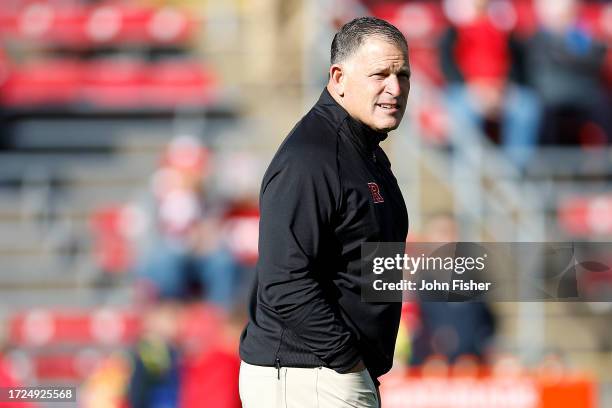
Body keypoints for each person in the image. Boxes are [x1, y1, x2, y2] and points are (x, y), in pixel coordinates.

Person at [239, 17, 410, 408]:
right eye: (380, 74)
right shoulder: (312, 158)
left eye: (403, 75)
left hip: (326, 375)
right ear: (338, 78)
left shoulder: (362, 152)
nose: (395, 88)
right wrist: (347, 361)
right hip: (308, 378)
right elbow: (284, 282)